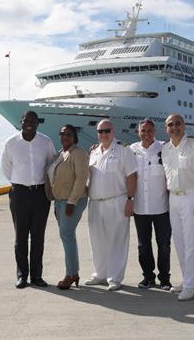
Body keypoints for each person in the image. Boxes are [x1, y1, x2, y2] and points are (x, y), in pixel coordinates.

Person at [1, 110, 56, 289]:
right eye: (26, 120)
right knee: (20, 237)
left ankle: (37, 276)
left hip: (40, 195)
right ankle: (22, 275)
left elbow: (51, 164)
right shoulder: (11, 143)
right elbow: (6, 168)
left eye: (33, 120)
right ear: (21, 121)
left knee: (38, 237)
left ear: (38, 123)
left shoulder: (46, 142)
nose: (29, 123)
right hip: (19, 194)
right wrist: (20, 184)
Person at [161, 114, 194, 301]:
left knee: (191, 243)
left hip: (192, 197)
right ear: (166, 128)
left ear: (184, 125)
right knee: (180, 243)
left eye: (177, 124)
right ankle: (189, 279)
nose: (174, 127)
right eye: (170, 125)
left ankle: (189, 286)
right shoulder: (165, 149)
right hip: (173, 198)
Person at [85, 119, 137, 291]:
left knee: (117, 240)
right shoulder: (93, 152)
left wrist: (130, 199)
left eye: (107, 131)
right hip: (95, 202)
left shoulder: (123, 151)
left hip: (117, 201)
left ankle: (114, 277)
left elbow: (131, 176)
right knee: (97, 241)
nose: (104, 134)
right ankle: (100, 274)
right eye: (100, 132)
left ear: (113, 132)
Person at [129, 119, 172, 290]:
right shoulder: (131, 150)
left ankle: (164, 278)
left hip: (161, 207)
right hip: (140, 207)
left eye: (149, 130)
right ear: (138, 132)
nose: (146, 134)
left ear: (155, 131)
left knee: (164, 245)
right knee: (143, 245)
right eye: (143, 131)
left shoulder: (164, 148)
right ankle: (148, 277)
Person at [46, 124, 89, 289]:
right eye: (62, 134)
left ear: (75, 137)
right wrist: (57, 202)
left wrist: (71, 202)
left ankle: (71, 274)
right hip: (60, 201)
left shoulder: (78, 153)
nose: (65, 137)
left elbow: (81, 178)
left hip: (73, 200)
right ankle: (73, 272)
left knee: (67, 234)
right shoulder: (61, 153)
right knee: (67, 236)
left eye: (69, 134)